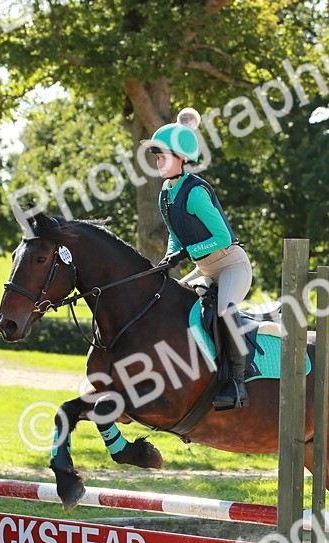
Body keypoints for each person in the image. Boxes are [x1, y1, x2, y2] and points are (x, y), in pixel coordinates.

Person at [142, 107, 252, 411]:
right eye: (157, 156)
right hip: (203, 268)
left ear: (182, 158)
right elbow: (176, 231)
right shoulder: (166, 192)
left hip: (231, 265)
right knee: (165, 299)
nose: (158, 160)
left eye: (163, 155)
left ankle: (238, 383)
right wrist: (169, 256)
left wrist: (187, 253)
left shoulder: (196, 193)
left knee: (223, 311)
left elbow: (223, 238)